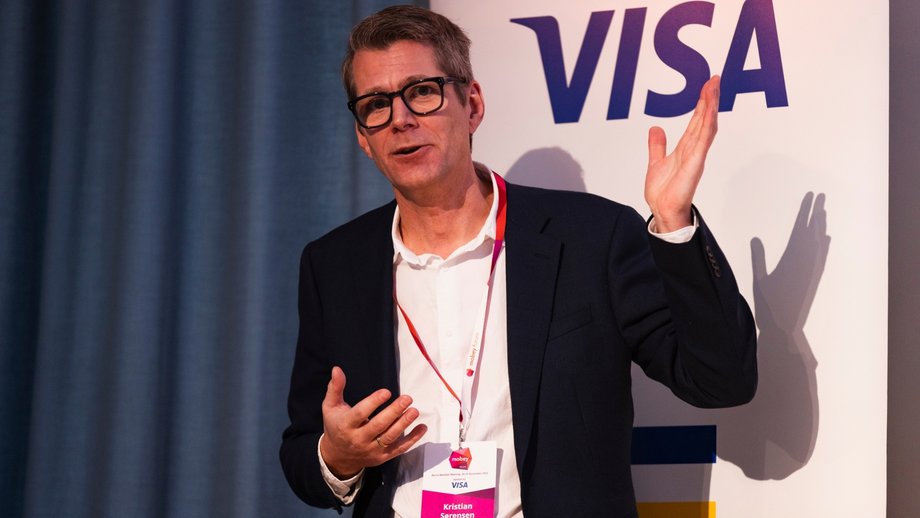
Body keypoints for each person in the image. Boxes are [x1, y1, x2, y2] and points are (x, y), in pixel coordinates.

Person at [280, 5, 757, 518]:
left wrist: (674, 225)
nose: (400, 118)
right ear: (362, 136)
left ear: (473, 104)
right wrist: (338, 456)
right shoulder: (334, 266)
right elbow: (303, 452)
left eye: (422, 91)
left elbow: (720, 380)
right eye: (376, 103)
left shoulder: (590, 239)